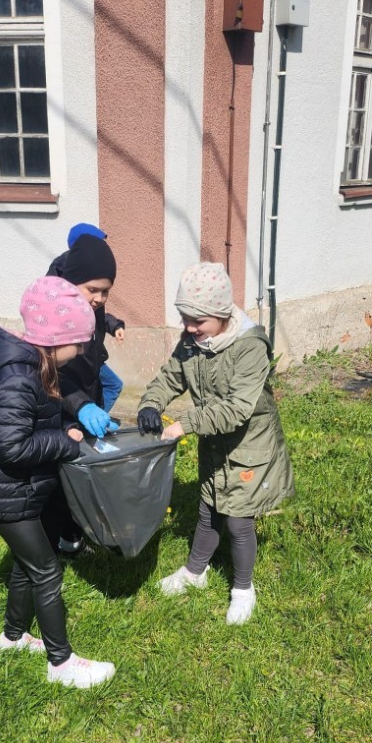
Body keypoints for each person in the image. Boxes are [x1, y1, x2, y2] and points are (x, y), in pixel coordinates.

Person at [0, 277, 116, 689]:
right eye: (79, 342)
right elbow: (11, 447)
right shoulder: (17, 378)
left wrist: (78, 411)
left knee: (29, 566)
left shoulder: (36, 367)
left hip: (16, 489)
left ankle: (12, 637)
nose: (83, 350)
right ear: (55, 337)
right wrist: (63, 442)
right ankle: (60, 663)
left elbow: (49, 405)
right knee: (47, 571)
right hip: (4, 494)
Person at [137, 262, 294, 625]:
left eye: (198, 321)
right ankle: (195, 572)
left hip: (248, 448)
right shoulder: (192, 343)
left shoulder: (249, 347)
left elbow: (238, 409)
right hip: (215, 445)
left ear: (222, 314)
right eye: (184, 318)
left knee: (238, 522)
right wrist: (150, 404)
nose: (189, 328)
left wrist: (184, 424)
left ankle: (243, 588)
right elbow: (170, 376)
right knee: (208, 508)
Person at [47, 224, 125, 424]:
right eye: (93, 290)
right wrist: (81, 407)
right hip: (71, 389)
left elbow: (101, 318)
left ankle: (97, 416)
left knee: (111, 385)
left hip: (93, 362)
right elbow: (54, 375)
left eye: (105, 292)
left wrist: (115, 325)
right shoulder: (57, 316)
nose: (99, 299)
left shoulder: (92, 300)